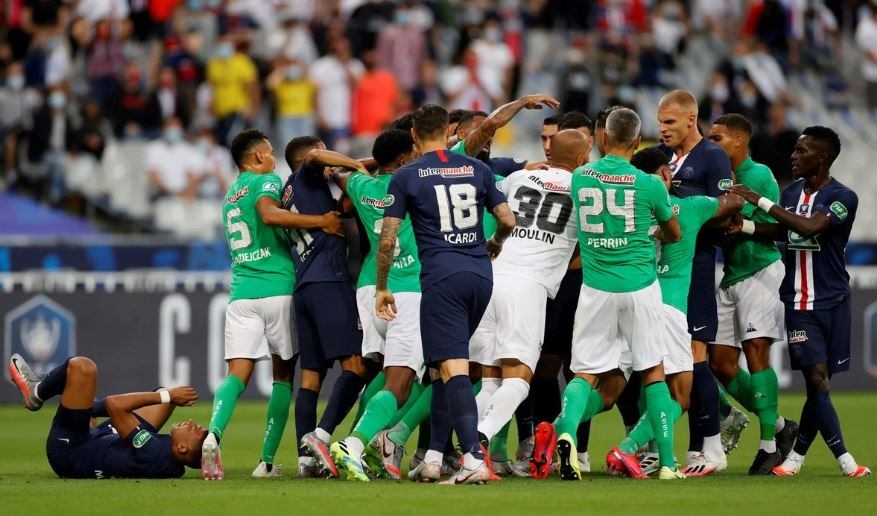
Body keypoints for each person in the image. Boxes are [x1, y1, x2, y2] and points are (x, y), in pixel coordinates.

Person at [533, 107, 682, 481]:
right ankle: (667, 463)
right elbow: (674, 232)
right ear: (637, 141)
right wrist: (652, 232)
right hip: (640, 287)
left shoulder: (581, 178)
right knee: (654, 374)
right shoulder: (649, 184)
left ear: (601, 139)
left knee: (583, 374)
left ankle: (566, 437)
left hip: (595, 288)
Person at [376, 104, 516, 484]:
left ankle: (472, 458)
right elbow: (507, 219)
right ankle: (435, 455)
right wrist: (495, 242)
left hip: (442, 278)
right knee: (442, 368)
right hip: (480, 276)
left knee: (452, 366)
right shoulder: (478, 168)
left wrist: (382, 286)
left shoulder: (407, 175)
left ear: (415, 137)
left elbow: (388, 238)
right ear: (447, 130)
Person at [201, 129, 344, 480]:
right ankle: (265, 462)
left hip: (241, 293)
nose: (274, 159)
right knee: (283, 377)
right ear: (256, 158)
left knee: (237, 375)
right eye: (269, 153)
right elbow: (269, 214)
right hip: (278, 288)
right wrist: (320, 221)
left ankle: (213, 434)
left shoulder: (230, 195)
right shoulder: (265, 183)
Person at [730, 126, 871, 478]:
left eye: (801, 151)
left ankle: (795, 457)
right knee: (816, 379)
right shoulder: (791, 193)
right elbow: (785, 230)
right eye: (794, 150)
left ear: (822, 158)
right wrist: (747, 228)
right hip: (798, 302)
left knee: (819, 386)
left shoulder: (843, 197)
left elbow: (809, 227)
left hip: (834, 300)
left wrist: (759, 201)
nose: (793, 156)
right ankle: (845, 460)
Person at [608, 147, 743, 478]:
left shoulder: (629, 209)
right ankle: (627, 449)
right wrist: (737, 192)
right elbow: (732, 203)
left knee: (624, 386)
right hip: (669, 309)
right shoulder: (688, 207)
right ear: (665, 174)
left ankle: (558, 432)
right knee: (680, 392)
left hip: (633, 301)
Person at [470, 129, 586, 477]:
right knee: (520, 380)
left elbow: (496, 202)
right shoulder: (583, 190)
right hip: (528, 287)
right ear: (581, 161)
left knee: (490, 380)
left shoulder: (519, 176)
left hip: (492, 276)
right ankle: (477, 441)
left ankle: (463, 448)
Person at [706, 114, 799, 475]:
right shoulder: (722, 178)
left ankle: (769, 446)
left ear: (739, 141)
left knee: (757, 352)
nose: (711, 143)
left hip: (760, 271)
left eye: (718, 138)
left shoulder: (755, 175)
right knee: (720, 363)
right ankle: (780, 426)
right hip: (732, 275)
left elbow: (768, 228)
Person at [328, 129, 421, 481]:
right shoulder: (412, 187)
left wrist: (364, 163)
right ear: (402, 160)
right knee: (401, 381)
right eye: (411, 153)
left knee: (392, 375)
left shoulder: (362, 187)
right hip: (409, 291)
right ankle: (356, 443)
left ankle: (370, 445)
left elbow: (338, 173)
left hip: (375, 292)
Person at [281, 136, 369, 479]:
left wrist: (366, 163)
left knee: (311, 377)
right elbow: (318, 155)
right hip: (329, 282)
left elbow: (344, 204)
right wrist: (354, 165)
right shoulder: (307, 173)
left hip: (304, 287)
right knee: (357, 365)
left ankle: (304, 459)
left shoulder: (293, 191)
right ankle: (322, 436)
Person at [655, 89, 733, 475]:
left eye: (669, 122)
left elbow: (725, 212)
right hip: (663, 268)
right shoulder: (665, 157)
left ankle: (712, 448)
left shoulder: (713, 156)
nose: (663, 129)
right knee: (671, 360)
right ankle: (683, 447)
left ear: (691, 119)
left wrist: (678, 201)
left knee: (695, 354)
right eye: (660, 122)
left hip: (697, 265)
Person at [9, 354, 205, 479]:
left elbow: (114, 405)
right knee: (164, 402)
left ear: (182, 447)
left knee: (83, 368)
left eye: (195, 430)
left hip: (69, 451)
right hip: (100, 440)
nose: (191, 422)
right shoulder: (173, 463)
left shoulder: (153, 452)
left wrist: (168, 395)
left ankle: (37, 393)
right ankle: (84, 406)